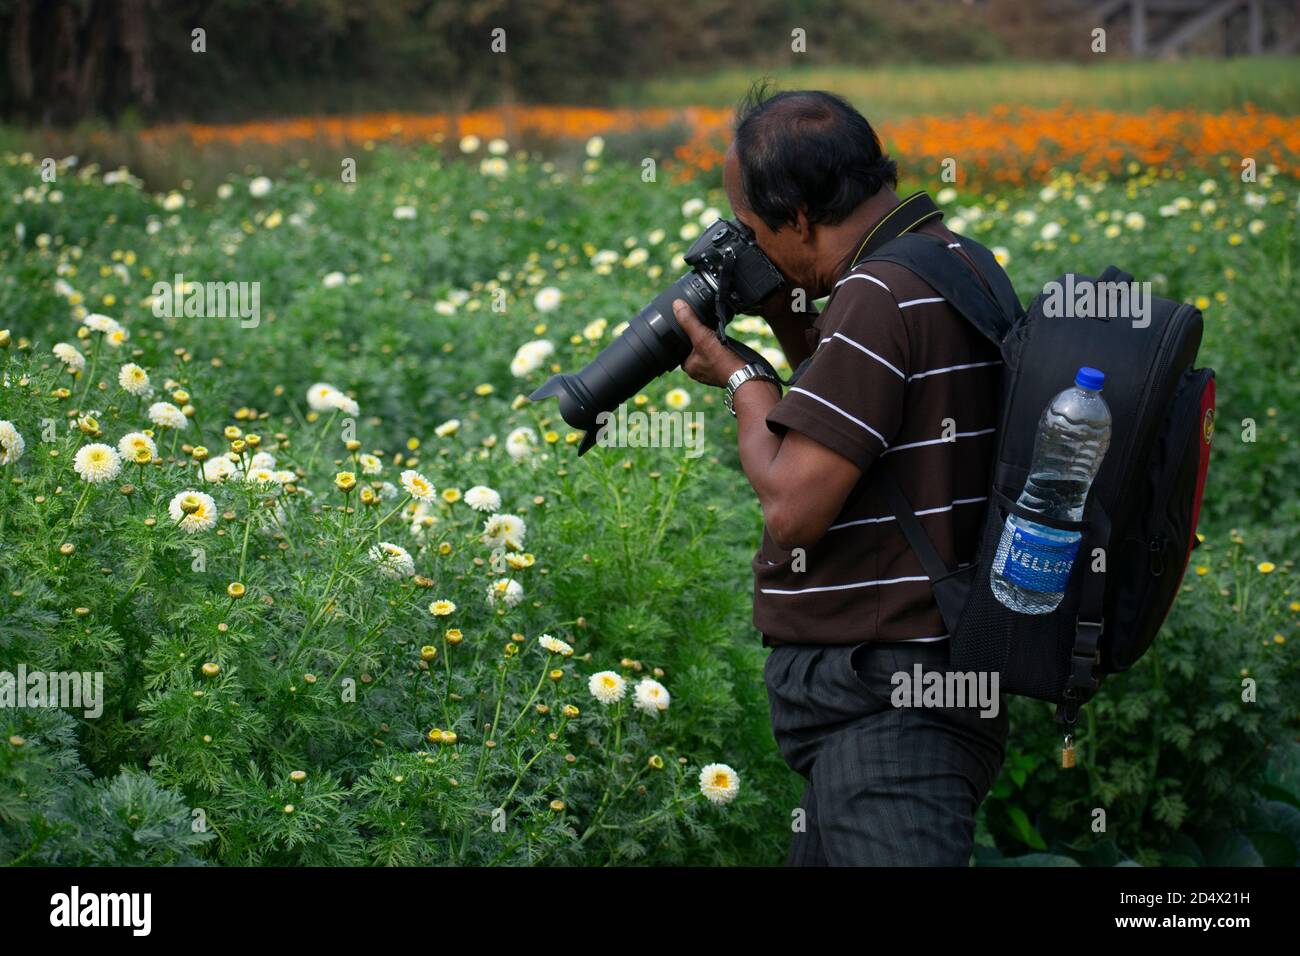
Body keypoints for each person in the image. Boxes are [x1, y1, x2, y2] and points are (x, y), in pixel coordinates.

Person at [672, 86, 1013, 866]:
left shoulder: (876, 295)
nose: (750, 245)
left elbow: (793, 503)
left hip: (891, 705)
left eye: (754, 228)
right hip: (913, 688)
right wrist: (795, 326)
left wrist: (741, 378)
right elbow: (880, 427)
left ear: (797, 216)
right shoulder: (954, 260)